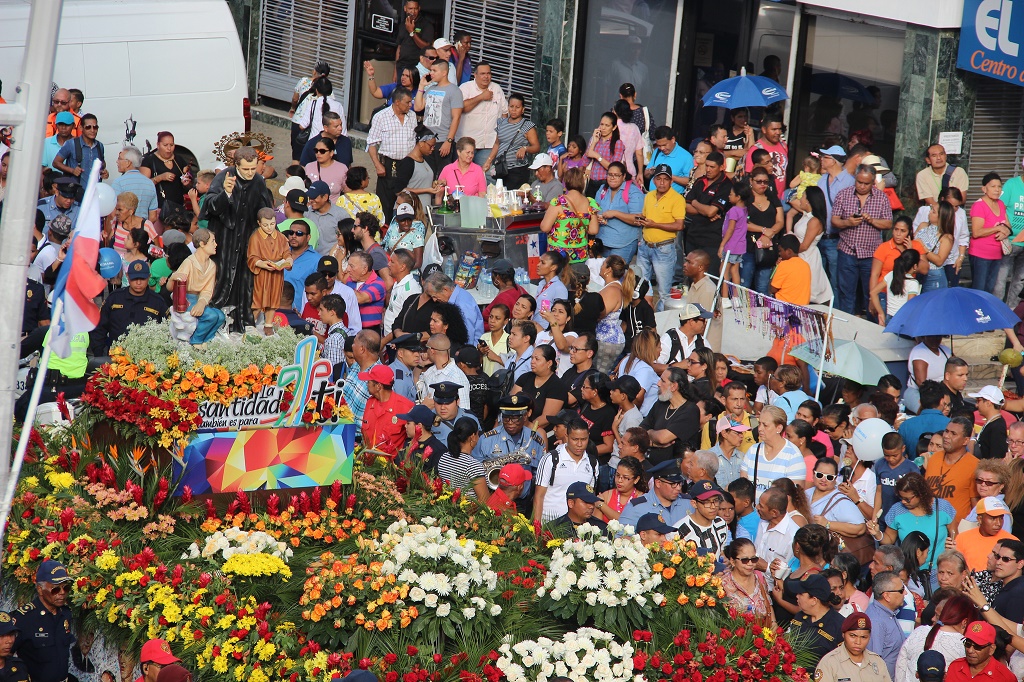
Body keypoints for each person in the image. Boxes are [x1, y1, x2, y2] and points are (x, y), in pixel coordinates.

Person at [199, 147, 273, 330]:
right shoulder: (223, 177)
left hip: (247, 242)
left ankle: (241, 324)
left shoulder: (258, 181)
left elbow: (265, 211)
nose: (250, 173)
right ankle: (216, 322)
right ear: (236, 165)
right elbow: (210, 208)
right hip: (225, 241)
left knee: (245, 284)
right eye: (246, 169)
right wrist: (226, 194)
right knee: (221, 281)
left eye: (253, 168)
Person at [831, 164, 895, 314]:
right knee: (846, 294)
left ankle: (872, 327)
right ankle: (846, 327)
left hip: (871, 254)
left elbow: (888, 223)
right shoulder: (843, 194)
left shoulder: (881, 198)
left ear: (873, 182)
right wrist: (847, 222)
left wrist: (872, 220)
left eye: (866, 183)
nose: (862, 186)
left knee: (871, 293)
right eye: (859, 182)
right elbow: (834, 220)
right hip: (847, 252)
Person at [868, 472, 955, 573]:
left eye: (907, 499)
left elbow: (954, 535)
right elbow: (890, 539)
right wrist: (878, 534)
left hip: (939, 570)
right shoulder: (896, 510)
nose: (903, 502)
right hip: (909, 572)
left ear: (921, 494)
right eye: (901, 498)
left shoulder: (943, 507)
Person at [10, 560, 76, 682]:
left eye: (66, 588)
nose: (62, 593)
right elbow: (4, 656)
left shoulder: (66, 613)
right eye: (55, 589)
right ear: (40, 589)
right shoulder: (24, 619)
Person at [89, 261, 168, 355]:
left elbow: (167, 330)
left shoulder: (158, 302)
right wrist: (99, 354)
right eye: (135, 279)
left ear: (149, 277)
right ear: (127, 276)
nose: (138, 283)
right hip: (115, 358)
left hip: (146, 361)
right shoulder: (115, 298)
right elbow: (100, 327)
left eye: (142, 279)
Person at [637, 164, 686, 311]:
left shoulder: (677, 199)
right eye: (659, 178)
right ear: (654, 180)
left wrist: (654, 224)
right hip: (645, 245)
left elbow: (679, 225)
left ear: (671, 181)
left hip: (664, 248)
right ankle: (645, 317)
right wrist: (641, 220)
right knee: (641, 286)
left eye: (666, 179)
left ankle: (661, 324)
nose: (662, 182)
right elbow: (645, 216)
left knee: (664, 292)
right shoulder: (649, 196)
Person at [894, 595, 976, 682]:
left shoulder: (918, 632)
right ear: (965, 622)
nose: (932, 618)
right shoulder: (965, 645)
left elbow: (900, 669)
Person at [367, 87, 417, 223]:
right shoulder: (381, 117)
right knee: (386, 203)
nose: (410, 105)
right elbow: (371, 144)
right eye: (407, 102)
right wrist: (377, 165)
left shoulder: (412, 116)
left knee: (407, 201)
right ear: (397, 102)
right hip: (388, 164)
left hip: (407, 164)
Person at [167, 229, 225, 345]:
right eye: (213, 241)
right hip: (186, 299)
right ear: (202, 244)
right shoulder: (189, 262)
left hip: (199, 298)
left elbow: (208, 290)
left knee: (220, 316)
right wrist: (173, 278)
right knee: (212, 316)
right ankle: (195, 341)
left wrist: (202, 302)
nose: (216, 244)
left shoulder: (212, 265)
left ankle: (206, 340)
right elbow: (171, 287)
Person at [534, 417, 598, 521]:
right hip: (549, 524)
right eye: (575, 439)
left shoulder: (592, 463)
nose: (579, 444)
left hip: (577, 527)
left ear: (588, 437)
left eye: (584, 439)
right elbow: (539, 496)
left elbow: (590, 497)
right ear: (567, 437)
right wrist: (536, 527)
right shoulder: (550, 459)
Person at [742, 406, 807, 500]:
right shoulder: (753, 451)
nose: (760, 428)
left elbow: (794, 497)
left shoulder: (793, 455)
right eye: (759, 423)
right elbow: (744, 490)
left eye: (765, 425)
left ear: (779, 428)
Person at [923, 417, 978, 523]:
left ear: (965, 440)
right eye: (946, 431)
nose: (947, 436)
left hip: (956, 532)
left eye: (953, 434)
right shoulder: (934, 458)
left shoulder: (974, 465)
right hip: (928, 525)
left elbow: (975, 506)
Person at [540, 167, 599, 264]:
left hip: (559, 256)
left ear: (566, 181)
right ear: (582, 182)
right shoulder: (590, 202)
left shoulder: (559, 202)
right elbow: (593, 230)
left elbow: (545, 227)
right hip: (580, 256)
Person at [788, 573, 845, 673]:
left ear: (814, 600)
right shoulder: (799, 617)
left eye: (801, 594)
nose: (796, 596)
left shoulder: (839, 626)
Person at [618, 459, 694, 530]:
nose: (678, 488)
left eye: (680, 483)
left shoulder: (689, 503)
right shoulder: (637, 507)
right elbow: (622, 537)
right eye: (673, 484)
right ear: (658, 483)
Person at [742, 166, 785, 293]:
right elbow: (742, 222)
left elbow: (780, 221)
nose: (763, 185)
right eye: (759, 181)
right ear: (751, 181)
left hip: (768, 248)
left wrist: (768, 234)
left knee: (763, 287)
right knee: (745, 285)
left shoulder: (772, 197)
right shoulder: (745, 198)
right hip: (748, 247)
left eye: (766, 182)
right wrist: (763, 230)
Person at [457, 62, 507, 167]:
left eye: (488, 73)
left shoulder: (496, 88)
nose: (486, 76)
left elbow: (504, 113)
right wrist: (481, 97)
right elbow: (461, 108)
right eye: (482, 73)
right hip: (467, 144)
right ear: (475, 75)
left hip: (489, 144)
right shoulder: (466, 88)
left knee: (488, 177)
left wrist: (500, 137)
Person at [815, 613, 891, 682]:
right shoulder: (829, 662)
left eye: (864, 637)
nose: (858, 642)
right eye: (853, 636)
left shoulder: (877, 662)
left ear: (869, 637)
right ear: (843, 634)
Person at [970, 173, 1013, 295]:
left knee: (989, 290)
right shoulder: (979, 205)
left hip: (997, 255)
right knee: (979, 290)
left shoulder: (1000, 204)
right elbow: (976, 232)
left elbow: (1008, 225)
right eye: (993, 186)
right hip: (981, 255)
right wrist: (998, 228)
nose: (997, 189)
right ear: (984, 189)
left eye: (999, 186)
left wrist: (1005, 231)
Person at [359, 365, 414, 456]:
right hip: (366, 465)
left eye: (369, 381)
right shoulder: (369, 403)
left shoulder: (406, 407)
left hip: (391, 467)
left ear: (378, 386)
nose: (367, 384)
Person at [595, 161, 644, 262]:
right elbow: (595, 209)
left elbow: (639, 219)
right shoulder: (603, 189)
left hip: (623, 243)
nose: (612, 178)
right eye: (610, 174)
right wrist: (597, 216)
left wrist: (615, 213)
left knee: (617, 275)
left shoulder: (633, 191)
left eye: (617, 175)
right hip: (602, 241)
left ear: (624, 176)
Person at [721, 538, 776, 626]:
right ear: (732, 561)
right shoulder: (723, 584)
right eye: (745, 560)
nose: (750, 564)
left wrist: (773, 624)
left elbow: (768, 605)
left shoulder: (760, 578)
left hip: (763, 634)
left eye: (754, 559)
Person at [863, 571, 907, 678]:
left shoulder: (888, 614)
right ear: (887, 596)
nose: (905, 593)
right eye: (901, 590)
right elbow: (873, 664)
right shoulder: (876, 621)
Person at [491, 94, 540, 188]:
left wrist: (525, 148)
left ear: (523, 109)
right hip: (501, 168)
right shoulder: (501, 122)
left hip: (517, 170)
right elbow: (497, 143)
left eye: (517, 107)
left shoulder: (527, 126)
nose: (513, 110)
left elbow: (536, 147)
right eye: (511, 106)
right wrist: (489, 161)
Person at [955, 498, 1017, 571]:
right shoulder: (962, 538)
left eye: (1001, 518)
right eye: (993, 518)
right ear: (980, 519)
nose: (998, 523)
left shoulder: (1012, 542)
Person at [435, 417, 489, 501]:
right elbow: (484, 499)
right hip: (470, 512)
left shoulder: (444, 457)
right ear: (473, 437)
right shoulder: (473, 465)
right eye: (478, 434)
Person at [944, 622, 1016, 682]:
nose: (970, 650)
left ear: (991, 649)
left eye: (977, 646)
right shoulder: (955, 667)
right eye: (967, 644)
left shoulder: (1005, 677)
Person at [139, 131, 194, 210]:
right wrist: (160, 178)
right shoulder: (149, 161)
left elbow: (190, 184)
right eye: (165, 145)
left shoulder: (179, 160)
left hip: (178, 207)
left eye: (171, 145)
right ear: (158, 145)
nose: (169, 148)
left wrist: (186, 183)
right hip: (157, 208)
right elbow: (143, 185)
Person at [676, 480, 729, 556]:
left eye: (716, 500)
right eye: (706, 502)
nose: (713, 506)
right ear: (694, 504)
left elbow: (721, 553)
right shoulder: (679, 531)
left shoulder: (721, 523)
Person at [870, 248, 921, 325]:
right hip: (902, 321)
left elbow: (873, 292)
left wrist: (881, 313)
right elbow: (910, 306)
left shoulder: (891, 274)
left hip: (889, 318)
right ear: (915, 266)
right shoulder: (913, 283)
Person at [418, 334, 471, 406]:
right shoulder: (429, 372)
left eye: (427, 348)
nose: (426, 351)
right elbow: (419, 392)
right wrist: (420, 364)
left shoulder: (458, 377)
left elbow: (464, 409)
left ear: (432, 350)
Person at [110, 146, 158, 222]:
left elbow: (112, 213)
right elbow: (153, 216)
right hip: (142, 230)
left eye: (119, 158)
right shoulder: (150, 183)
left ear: (128, 162)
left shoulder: (118, 182)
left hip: (123, 230)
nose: (117, 161)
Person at [644, 126, 694, 195]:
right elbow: (646, 175)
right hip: (653, 197)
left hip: (672, 201)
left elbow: (689, 182)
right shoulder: (657, 152)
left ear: (673, 139)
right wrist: (650, 172)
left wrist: (668, 175)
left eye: (664, 145)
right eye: (659, 145)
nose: (662, 148)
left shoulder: (686, 157)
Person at [596, 456, 645, 521]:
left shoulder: (642, 499)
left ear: (636, 479)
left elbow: (628, 520)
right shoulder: (606, 496)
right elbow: (597, 525)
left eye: (625, 477)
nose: (619, 480)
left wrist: (602, 506)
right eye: (617, 475)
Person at [532, 251, 570, 330]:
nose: (538, 265)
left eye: (543, 262)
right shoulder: (541, 284)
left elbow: (561, 316)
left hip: (548, 332)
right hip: (536, 331)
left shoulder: (559, 288)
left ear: (553, 267)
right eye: (539, 261)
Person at [770, 234, 812, 305]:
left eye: (780, 251)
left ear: (788, 251)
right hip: (803, 308)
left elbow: (772, 289)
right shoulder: (806, 265)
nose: (779, 254)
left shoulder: (784, 265)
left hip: (784, 307)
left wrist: (776, 267)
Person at [304, 138, 348, 203]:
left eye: (322, 151)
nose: (318, 153)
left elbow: (348, 192)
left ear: (331, 153)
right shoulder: (309, 167)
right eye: (316, 150)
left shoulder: (342, 169)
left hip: (332, 210)